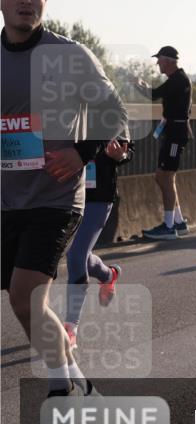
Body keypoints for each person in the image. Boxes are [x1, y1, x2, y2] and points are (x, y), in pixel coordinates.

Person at [2, 0, 127, 396]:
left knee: (26, 296)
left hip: (56, 198)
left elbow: (112, 109)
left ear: (45, 2)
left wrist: (82, 152)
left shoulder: (68, 54)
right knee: (25, 305)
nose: (26, 1)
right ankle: (78, 379)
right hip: (7, 200)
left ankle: (61, 389)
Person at [63, 134, 133, 349]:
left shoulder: (111, 110)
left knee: (76, 256)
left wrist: (120, 155)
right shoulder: (63, 109)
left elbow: (127, 151)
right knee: (78, 254)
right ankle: (108, 275)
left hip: (98, 198)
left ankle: (70, 328)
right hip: (66, 194)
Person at [136, 46, 192, 240]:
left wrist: (138, 85)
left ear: (167, 61)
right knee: (165, 177)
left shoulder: (178, 80)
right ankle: (178, 221)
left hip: (175, 133)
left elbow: (153, 95)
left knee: (165, 176)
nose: (157, 63)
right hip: (172, 131)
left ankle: (169, 226)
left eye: (159, 60)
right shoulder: (177, 80)